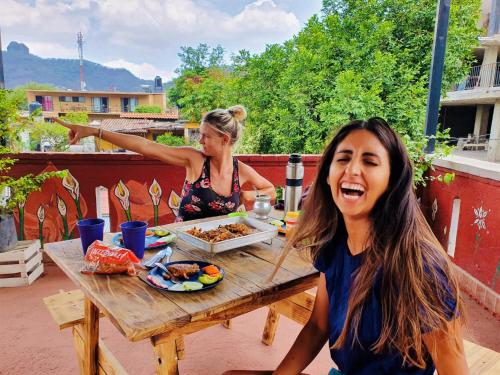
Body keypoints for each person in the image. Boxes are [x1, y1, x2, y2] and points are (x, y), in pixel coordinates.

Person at [224, 118, 468, 375]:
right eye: (343, 159)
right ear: (328, 176)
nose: (352, 170)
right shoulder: (334, 246)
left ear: (392, 180)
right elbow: (319, 326)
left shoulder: (420, 267)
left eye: (370, 161)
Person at [55, 105, 275, 221]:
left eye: (206, 136)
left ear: (224, 140)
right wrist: (95, 131)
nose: (200, 141)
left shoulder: (241, 172)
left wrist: (247, 196)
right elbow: (145, 146)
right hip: (186, 248)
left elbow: (270, 190)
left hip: (224, 248)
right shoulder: (195, 160)